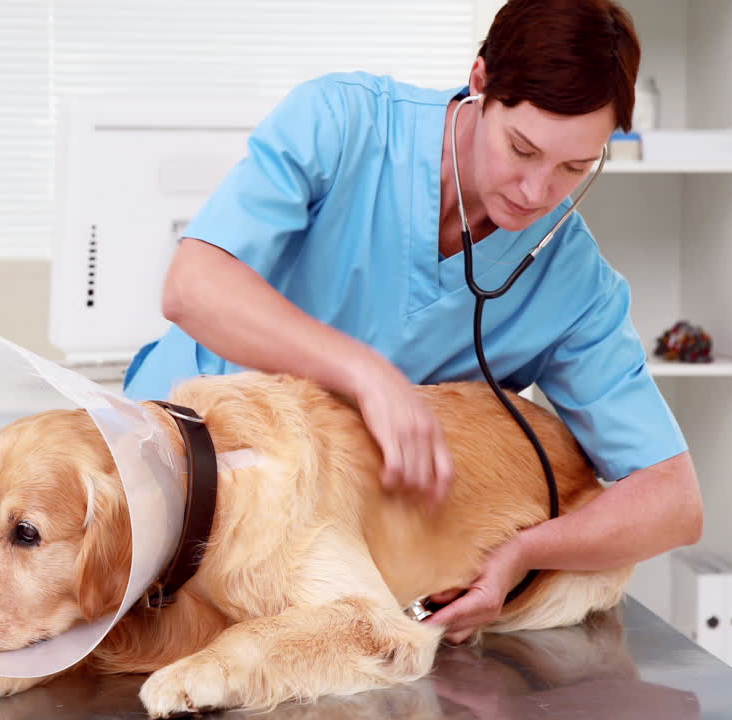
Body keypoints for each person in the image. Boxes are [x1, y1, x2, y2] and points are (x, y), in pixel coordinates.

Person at [122, 0, 702, 645]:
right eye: (522, 148)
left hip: (322, 558)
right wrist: (368, 375)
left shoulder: (575, 286)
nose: (537, 192)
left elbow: (672, 502)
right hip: (174, 475)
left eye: (574, 168)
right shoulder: (343, 123)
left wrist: (524, 553)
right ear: (480, 83)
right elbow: (194, 287)